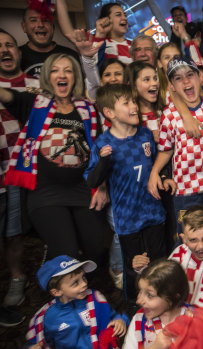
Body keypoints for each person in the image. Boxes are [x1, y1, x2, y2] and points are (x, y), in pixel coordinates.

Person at [1, 53, 108, 267]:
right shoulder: (33, 103)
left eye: (68, 70)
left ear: (75, 76)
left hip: (82, 190)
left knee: (98, 246)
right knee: (67, 254)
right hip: (46, 193)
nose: (62, 75)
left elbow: (98, 150)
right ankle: (60, 280)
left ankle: (79, 286)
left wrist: (102, 186)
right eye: (55, 70)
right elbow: (6, 96)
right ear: (47, 77)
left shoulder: (87, 108)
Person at [85, 84, 170, 301]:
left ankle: (163, 304)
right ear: (110, 113)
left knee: (159, 263)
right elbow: (93, 179)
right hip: (128, 220)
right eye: (127, 103)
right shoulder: (103, 143)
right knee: (135, 268)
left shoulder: (144, 134)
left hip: (154, 212)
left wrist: (162, 178)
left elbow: (153, 167)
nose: (134, 106)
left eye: (134, 101)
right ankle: (135, 309)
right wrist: (103, 160)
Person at [147, 55, 203, 248]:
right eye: (178, 78)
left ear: (199, 77)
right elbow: (166, 150)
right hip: (186, 191)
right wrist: (154, 172)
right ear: (172, 86)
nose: (185, 81)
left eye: (189, 75)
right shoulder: (169, 116)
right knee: (187, 243)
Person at [135, 205, 203, 307]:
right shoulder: (179, 253)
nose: (201, 246)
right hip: (183, 315)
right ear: (184, 239)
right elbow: (163, 282)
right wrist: (142, 269)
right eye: (193, 240)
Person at [0, 28, 39, 308]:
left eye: (9, 45)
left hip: (23, 171)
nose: (5, 50)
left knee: (15, 231)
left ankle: (17, 276)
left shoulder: (37, 83)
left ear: (19, 50)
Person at [26, 255, 127, 348]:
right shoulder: (46, 318)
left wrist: (120, 320)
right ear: (56, 292)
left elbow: (114, 316)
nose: (84, 284)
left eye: (83, 277)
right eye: (75, 283)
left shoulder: (96, 298)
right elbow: (35, 343)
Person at [124, 259, 192, 349]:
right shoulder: (140, 320)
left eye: (150, 295)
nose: (139, 301)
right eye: (140, 291)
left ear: (172, 297)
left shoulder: (194, 320)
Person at [19, 7, 79, 77]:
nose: (40, 25)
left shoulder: (71, 56)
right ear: (24, 27)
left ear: (52, 26)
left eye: (45, 20)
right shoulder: (16, 56)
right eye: (33, 20)